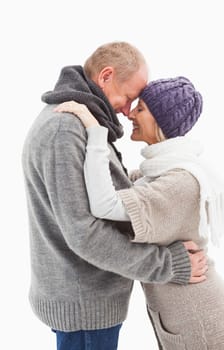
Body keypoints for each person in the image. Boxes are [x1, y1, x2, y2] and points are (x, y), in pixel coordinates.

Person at [22, 42, 206, 350]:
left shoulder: (80, 122)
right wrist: (168, 265)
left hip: (86, 300)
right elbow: (85, 235)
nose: (127, 110)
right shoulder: (66, 130)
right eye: (129, 98)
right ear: (106, 76)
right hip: (84, 307)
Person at [54, 76, 224, 349]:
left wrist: (94, 129)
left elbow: (107, 203)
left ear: (162, 121)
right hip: (182, 317)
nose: (130, 114)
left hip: (201, 321)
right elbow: (122, 183)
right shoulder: (157, 172)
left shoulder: (179, 182)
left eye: (141, 109)